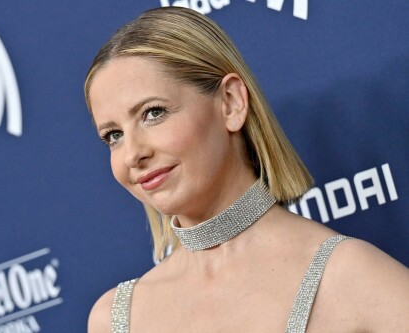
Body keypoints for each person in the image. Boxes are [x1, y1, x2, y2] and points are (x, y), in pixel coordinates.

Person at [84, 7, 408, 333]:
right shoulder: (112, 319)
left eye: (153, 113)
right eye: (113, 136)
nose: (132, 154)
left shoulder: (350, 278)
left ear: (231, 102)